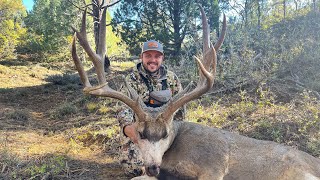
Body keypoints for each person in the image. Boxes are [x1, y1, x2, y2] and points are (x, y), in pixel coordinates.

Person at [117, 40, 185, 176]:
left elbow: (180, 113)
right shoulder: (131, 80)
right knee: (134, 169)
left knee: (181, 167)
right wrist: (128, 129)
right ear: (141, 57)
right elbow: (122, 110)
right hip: (141, 132)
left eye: (157, 56)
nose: (152, 60)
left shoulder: (172, 79)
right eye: (148, 56)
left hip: (164, 133)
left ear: (162, 58)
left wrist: (170, 135)